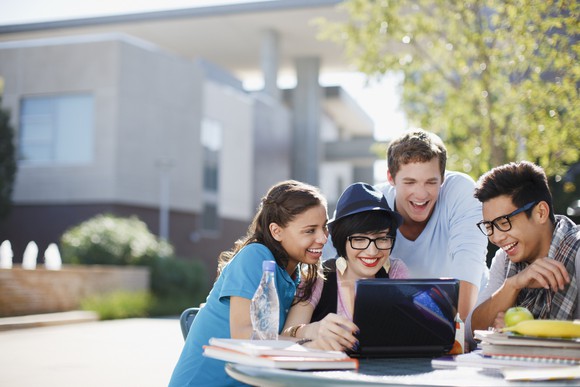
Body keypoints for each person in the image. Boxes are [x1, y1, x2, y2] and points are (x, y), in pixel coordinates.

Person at [168, 180, 329, 387]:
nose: (323, 238)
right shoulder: (256, 256)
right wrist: (312, 343)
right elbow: (244, 335)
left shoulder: (298, 275)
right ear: (276, 231)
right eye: (310, 231)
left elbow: (279, 339)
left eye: (324, 228)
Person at [373, 129, 489, 321]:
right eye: (410, 182)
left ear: (442, 178)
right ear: (391, 178)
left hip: (471, 317)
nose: (420, 194)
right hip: (404, 318)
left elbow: (469, 262)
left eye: (431, 182)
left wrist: (460, 335)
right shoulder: (375, 203)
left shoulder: (462, 191)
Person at [282, 182, 409, 352]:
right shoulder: (319, 276)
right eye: (359, 239)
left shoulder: (395, 272)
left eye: (382, 238)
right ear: (342, 240)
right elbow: (286, 335)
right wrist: (311, 331)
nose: (372, 251)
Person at [468, 161, 579, 334]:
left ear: (540, 212)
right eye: (489, 226)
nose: (496, 238)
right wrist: (512, 285)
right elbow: (472, 330)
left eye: (504, 222)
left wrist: (526, 334)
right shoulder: (504, 259)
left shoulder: (577, 251)